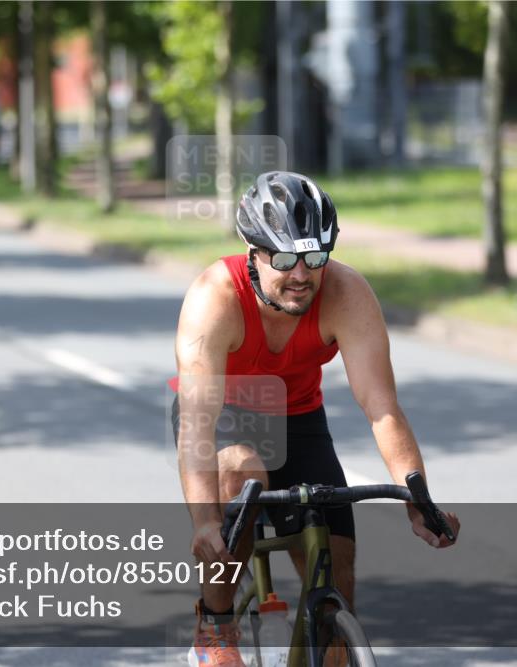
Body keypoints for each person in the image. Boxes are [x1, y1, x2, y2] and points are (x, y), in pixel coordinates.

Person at [172, 171, 460, 666]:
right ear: (253, 253)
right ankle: (216, 626)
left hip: (300, 417)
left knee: (336, 568)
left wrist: (418, 498)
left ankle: (326, 638)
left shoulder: (347, 293)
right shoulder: (214, 297)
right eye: (283, 259)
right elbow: (199, 420)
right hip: (225, 416)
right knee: (243, 472)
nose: (301, 274)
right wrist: (204, 520)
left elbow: (383, 407)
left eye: (314, 258)